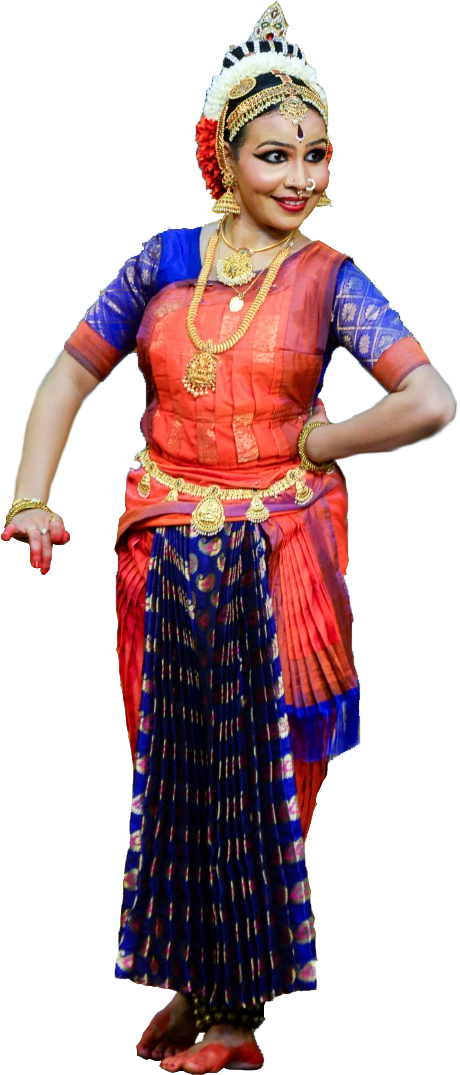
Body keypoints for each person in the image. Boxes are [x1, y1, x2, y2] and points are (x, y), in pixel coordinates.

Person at [2, 5, 456, 1073]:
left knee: (260, 784)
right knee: (175, 779)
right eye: (274, 154)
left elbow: (430, 401)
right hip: (166, 552)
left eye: (315, 154)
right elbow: (68, 373)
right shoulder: (161, 262)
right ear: (221, 153)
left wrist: (322, 440)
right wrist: (30, 495)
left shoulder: (330, 280)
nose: (299, 176)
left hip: (276, 559)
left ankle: (236, 1016)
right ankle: (196, 983)